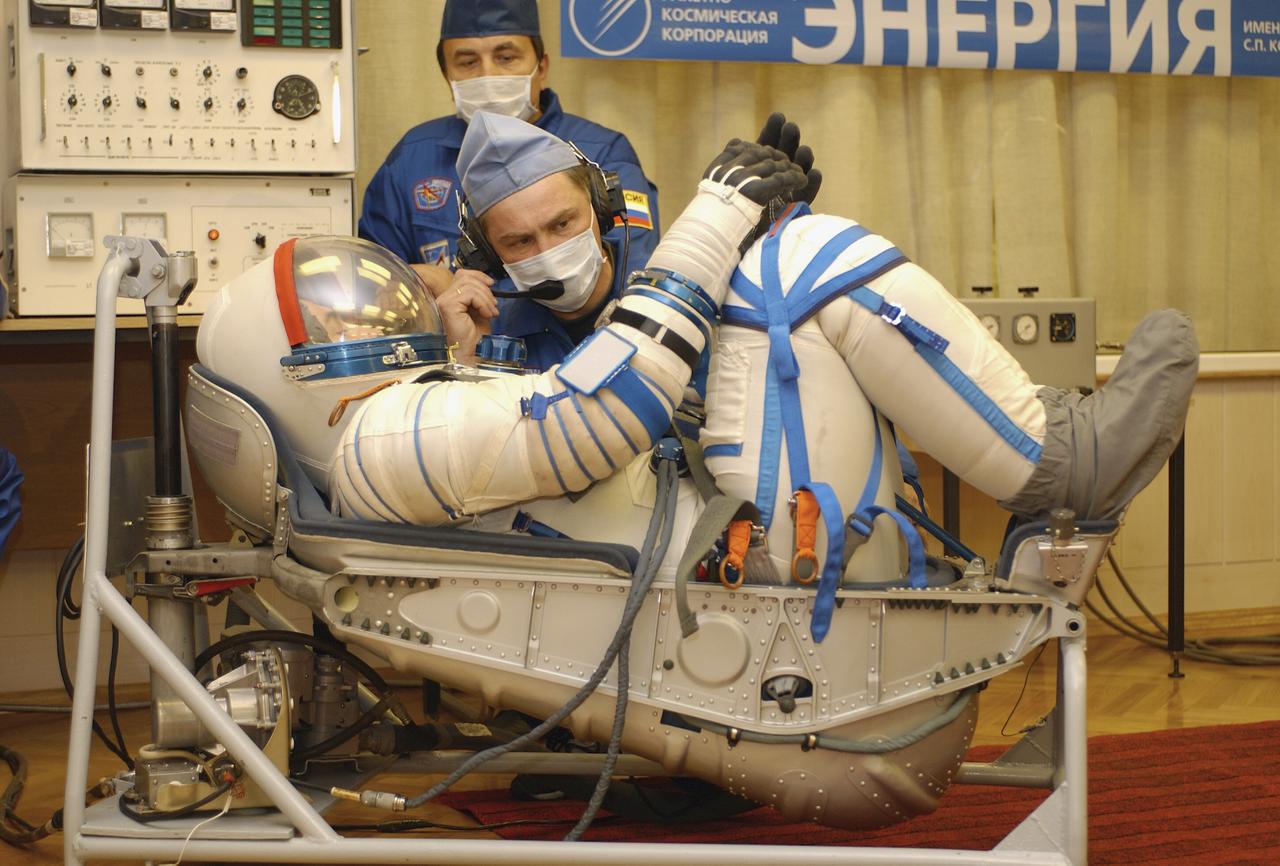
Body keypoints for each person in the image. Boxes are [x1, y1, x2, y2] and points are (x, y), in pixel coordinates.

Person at [358, 0, 659, 371]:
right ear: (447, 75)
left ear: (541, 67)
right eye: (468, 62)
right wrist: (425, 289)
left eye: (506, 57)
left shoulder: (600, 151)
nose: (488, 75)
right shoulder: (411, 159)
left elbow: (633, 273)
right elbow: (376, 295)